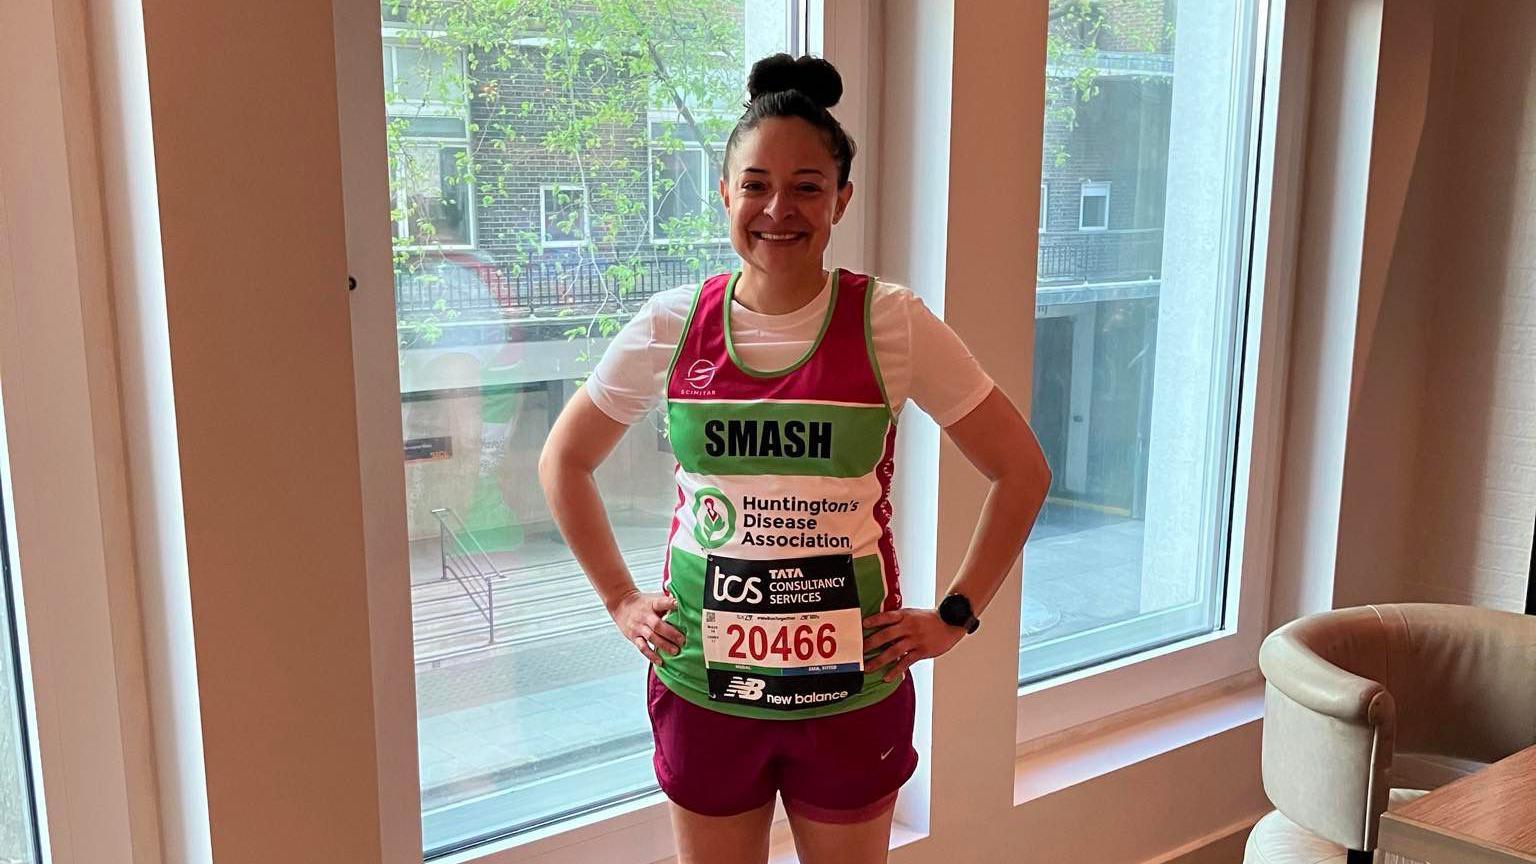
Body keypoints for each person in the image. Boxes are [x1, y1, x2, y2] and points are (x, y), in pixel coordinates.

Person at [539, 52, 1051, 864]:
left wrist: (955, 615)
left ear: (841, 199)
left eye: (807, 186)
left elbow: (1022, 471)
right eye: (755, 184)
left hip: (850, 693)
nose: (779, 208)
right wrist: (619, 602)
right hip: (705, 687)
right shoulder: (671, 325)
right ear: (725, 192)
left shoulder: (892, 322)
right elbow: (563, 462)